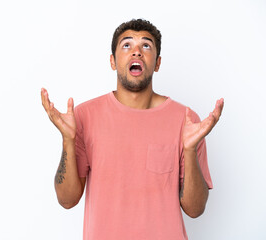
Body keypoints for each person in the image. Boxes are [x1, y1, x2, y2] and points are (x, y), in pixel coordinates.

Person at [41, 19, 224, 240]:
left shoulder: (186, 121)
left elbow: (195, 209)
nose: (136, 52)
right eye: (127, 45)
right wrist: (67, 140)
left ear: (157, 63)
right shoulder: (84, 116)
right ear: (112, 61)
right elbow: (67, 200)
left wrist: (190, 149)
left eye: (146, 46)